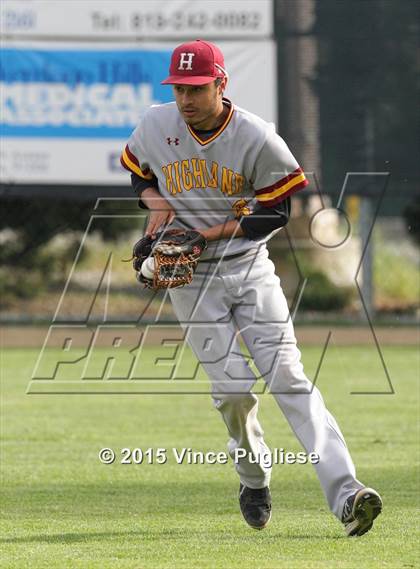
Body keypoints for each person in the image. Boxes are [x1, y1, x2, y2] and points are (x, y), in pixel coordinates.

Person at [120, 39, 382, 536]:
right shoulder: (157, 125)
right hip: (192, 283)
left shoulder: (256, 137)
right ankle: (253, 477)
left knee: (289, 377)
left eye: (196, 88)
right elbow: (138, 171)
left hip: (248, 269)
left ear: (221, 83)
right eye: (178, 88)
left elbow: (277, 210)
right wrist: (156, 204)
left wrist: (207, 234)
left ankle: (348, 495)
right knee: (233, 391)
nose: (185, 99)